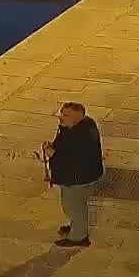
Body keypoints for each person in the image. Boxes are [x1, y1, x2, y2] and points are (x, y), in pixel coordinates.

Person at [41, 101, 104, 248]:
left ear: (76, 119)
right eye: (62, 113)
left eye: (65, 115)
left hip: (78, 178)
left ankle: (79, 237)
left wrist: (52, 153)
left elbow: (75, 159)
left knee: (75, 207)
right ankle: (76, 226)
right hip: (72, 176)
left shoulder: (82, 136)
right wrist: (53, 146)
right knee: (71, 205)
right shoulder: (72, 126)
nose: (60, 117)